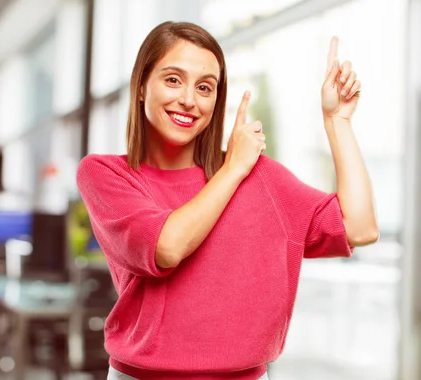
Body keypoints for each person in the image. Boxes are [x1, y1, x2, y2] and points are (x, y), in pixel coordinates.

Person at [77, 21, 378, 380]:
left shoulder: (261, 177)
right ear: (142, 86)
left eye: (205, 87)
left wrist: (337, 120)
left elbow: (359, 227)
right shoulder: (107, 174)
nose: (188, 99)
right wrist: (233, 168)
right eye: (173, 79)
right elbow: (166, 247)